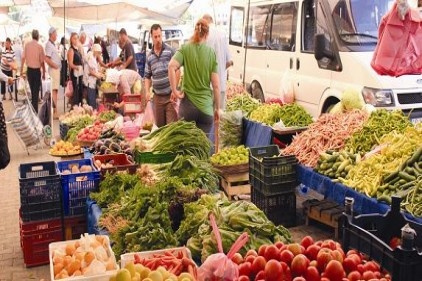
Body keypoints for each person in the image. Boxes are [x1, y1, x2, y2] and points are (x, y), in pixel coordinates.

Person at [168, 19, 220, 134]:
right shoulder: (211, 53)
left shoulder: (185, 48)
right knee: (202, 148)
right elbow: (216, 86)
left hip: (188, 107)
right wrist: (217, 109)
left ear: (194, 31)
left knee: (186, 146)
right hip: (206, 110)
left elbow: (171, 66)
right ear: (206, 34)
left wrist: (175, 91)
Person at [144, 24, 178, 127]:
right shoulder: (149, 56)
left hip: (170, 98)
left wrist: (174, 89)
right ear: (151, 37)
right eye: (155, 37)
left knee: (170, 129)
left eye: (159, 36)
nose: (158, 39)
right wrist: (146, 92)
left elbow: (177, 70)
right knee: (159, 129)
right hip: (157, 99)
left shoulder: (170, 51)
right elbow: (147, 76)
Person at [203, 14, 233, 110]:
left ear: (205, 22)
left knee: (207, 121)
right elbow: (230, 62)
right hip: (221, 86)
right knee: (219, 119)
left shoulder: (205, 34)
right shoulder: (223, 34)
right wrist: (220, 69)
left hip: (207, 87)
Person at [20, 29, 46, 113]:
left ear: (32, 36)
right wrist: (44, 73)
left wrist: (21, 70)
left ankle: (33, 109)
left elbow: (23, 58)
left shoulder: (27, 45)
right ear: (38, 36)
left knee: (32, 91)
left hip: (30, 71)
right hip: (37, 71)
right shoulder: (40, 46)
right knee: (35, 92)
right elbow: (42, 62)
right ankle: (34, 111)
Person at [44, 27, 61, 119]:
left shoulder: (52, 44)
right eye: (56, 34)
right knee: (54, 90)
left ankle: (55, 110)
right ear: (52, 34)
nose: (57, 35)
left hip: (56, 70)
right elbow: (47, 58)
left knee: (55, 90)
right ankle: (54, 112)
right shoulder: (49, 45)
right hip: (54, 70)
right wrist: (55, 65)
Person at [84, 44, 104, 109]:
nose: (99, 54)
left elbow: (94, 70)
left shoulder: (92, 57)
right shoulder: (91, 57)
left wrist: (98, 73)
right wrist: (98, 76)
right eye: (98, 53)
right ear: (95, 51)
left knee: (92, 100)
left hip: (91, 81)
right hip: (90, 82)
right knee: (91, 102)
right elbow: (91, 71)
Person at [67, 32, 84, 106]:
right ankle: (75, 106)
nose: (76, 40)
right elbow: (70, 63)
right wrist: (77, 67)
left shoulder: (77, 49)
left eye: (77, 38)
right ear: (71, 40)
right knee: (76, 91)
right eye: (74, 38)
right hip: (74, 74)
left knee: (80, 90)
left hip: (79, 73)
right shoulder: (71, 50)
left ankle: (79, 106)